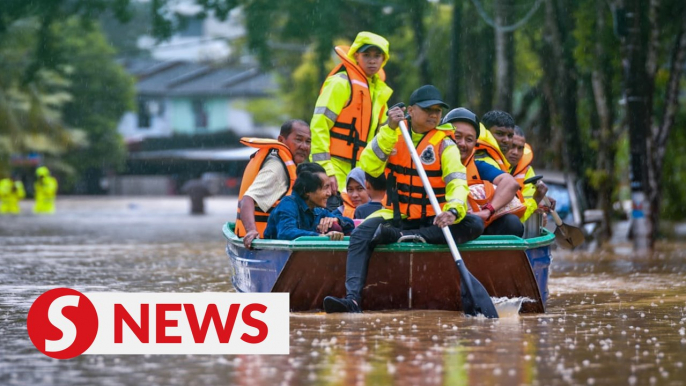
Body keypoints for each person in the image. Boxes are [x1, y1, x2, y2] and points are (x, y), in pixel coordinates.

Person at [323, 85, 484, 313]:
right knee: (360, 235)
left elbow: (457, 182)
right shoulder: (393, 133)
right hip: (397, 215)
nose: (434, 115)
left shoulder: (445, 144)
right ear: (410, 110)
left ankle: (405, 237)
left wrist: (454, 210)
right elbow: (369, 165)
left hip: (433, 219)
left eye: (437, 110)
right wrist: (388, 129)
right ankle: (353, 300)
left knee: (474, 224)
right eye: (428, 109)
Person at [309, 31, 393, 206]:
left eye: (377, 56)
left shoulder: (379, 93)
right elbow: (319, 126)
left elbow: (386, 137)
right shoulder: (340, 83)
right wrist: (325, 171)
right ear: (356, 55)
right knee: (334, 220)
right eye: (366, 55)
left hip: (362, 172)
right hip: (335, 166)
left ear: (383, 60)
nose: (372, 60)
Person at [443, 108, 525, 236]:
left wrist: (488, 211)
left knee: (512, 223)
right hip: (439, 221)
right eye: (457, 137)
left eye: (469, 139)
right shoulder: (428, 160)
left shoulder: (478, 164)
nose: (462, 144)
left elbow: (511, 183)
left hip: (473, 223)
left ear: (475, 142)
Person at [235, 120, 312, 248]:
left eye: (308, 141)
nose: (304, 146)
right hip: (264, 239)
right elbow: (247, 200)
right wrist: (251, 231)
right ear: (281, 140)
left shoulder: (284, 162)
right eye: (298, 140)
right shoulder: (276, 168)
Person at [263, 163, 354, 241]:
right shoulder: (287, 205)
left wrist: (337, 220)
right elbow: (286, 233)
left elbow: (350, 225)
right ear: (307, 191)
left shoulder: (318, 210)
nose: (329, 193)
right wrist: (320, 237)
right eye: (325, 188)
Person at [506, 126, 552, 222]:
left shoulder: (526, 171)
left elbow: (528, 205)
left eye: (520, 148)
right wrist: (535, 201)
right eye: (512, 146)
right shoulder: (487, 165)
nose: (515, 152)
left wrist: (540, 206)